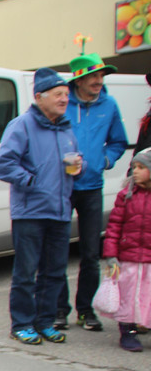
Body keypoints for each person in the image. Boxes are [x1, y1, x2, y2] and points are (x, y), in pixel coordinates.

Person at [0, 68, 82, 345]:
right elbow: (3, 164)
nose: (64, 99)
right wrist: (31, 181)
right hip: (30, 212)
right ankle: (21, 324)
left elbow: (72, 160)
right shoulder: (21, 125)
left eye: (66, 94)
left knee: (54, 272)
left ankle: (45, 322)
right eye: (58, 94)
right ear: (39, 97)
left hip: (60, 210)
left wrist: (78, 166)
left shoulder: (65, 128)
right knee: (26, 273)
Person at [54, 51, 128, 332]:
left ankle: (86, 310)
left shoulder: (109, 105)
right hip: (63, 187)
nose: (99, 81)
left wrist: (104, 160)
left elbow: (118, 142)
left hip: (93, 187)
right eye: (93, 76)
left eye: (101, 76)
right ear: (79, 80)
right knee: (58, 249)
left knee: (90, 253)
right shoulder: (63, 103)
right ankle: (59, 310)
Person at [101, 148, 151, 352]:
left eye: (141, 167)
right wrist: (111, 255)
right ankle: (127, 332)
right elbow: (114, 226)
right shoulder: (126, 195)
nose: (135, 171)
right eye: (134, 167)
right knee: (128, 297)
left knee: (147, 296)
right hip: (128, 258)